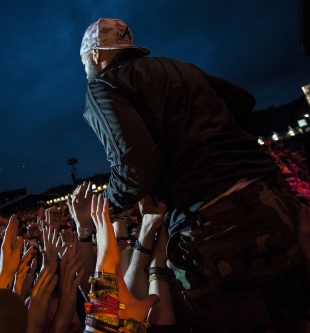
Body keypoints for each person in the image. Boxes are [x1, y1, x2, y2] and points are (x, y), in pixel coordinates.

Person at [80, 18, 309, 331]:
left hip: (213, 225)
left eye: (83, 62)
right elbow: (243, 101)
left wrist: (105, 207)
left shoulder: (103, 85)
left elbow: (134, 166)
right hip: (270, 197)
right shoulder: (179, 67)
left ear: (95, 55)